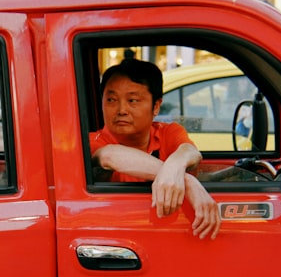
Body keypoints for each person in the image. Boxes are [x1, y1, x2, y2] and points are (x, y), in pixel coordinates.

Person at [90, 59, 221, 240]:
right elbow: (109, 155)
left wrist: (176, 163)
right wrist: (187, 180)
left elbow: (191, 152)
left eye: (132, 100)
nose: (121, 110)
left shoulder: (167, 132)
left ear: (156, 106)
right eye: (111, 100)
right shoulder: (93, 141)